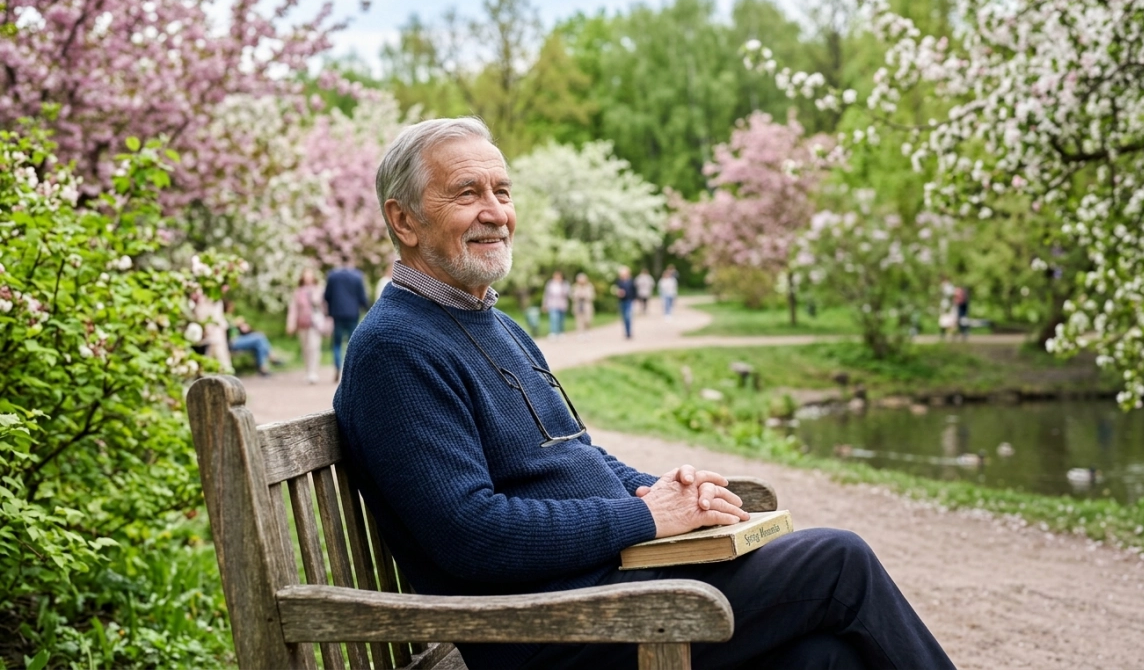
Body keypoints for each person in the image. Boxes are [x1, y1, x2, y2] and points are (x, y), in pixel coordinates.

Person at [334, 117, 954, 670]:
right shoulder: (397, 350)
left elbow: (573, 452)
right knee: (837, 562)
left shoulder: (491, 321)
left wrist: (659, 489)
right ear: (403, 220)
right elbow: (471, 532)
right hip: (555, 630)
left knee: (829, 658)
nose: (495, 210)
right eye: (467, 193)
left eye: (502, 191)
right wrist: (648, 516)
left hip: (613, 593)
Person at [324, 261, 369, 382]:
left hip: (337, 313)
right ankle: (348, 370)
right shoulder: (357, 276)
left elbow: (327, 295)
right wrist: (367, 309)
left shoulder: (332, 276)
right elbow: (362, 297)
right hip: (352, 313)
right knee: (352, 343)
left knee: (337, 343)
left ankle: (338, 366)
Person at [286, 267, 327, 384]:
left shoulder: (319, 290)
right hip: (302, 323)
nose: (308, 278)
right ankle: (308, 371)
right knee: (305, 348)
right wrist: (291, 324)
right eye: (306, 275)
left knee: (314, 347)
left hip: (315, 323)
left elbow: (324, 306)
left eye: (310, 275)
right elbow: (293, 309)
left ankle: (313, 372)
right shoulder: (298, 292)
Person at [541, 271, 570, 338]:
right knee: (553, 319)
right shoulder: (550, 284)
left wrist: (561, 285)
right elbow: (546, 295)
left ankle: (561, 332)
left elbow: (567, 294)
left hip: (562, 305)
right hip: (552, 304)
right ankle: (553, 332)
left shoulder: (564, 284)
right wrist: (544, 304)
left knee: (561, 319)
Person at [613, 266, 637, 339]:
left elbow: (634, 291)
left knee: (628, 316)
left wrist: (634, 299)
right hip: (622, 301)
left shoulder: (631, 281)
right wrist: (618, 293)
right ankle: (626, 332)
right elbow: (615, 289)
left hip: (629, 300)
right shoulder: (619, 281)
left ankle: (629, 332)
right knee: (624, 317)